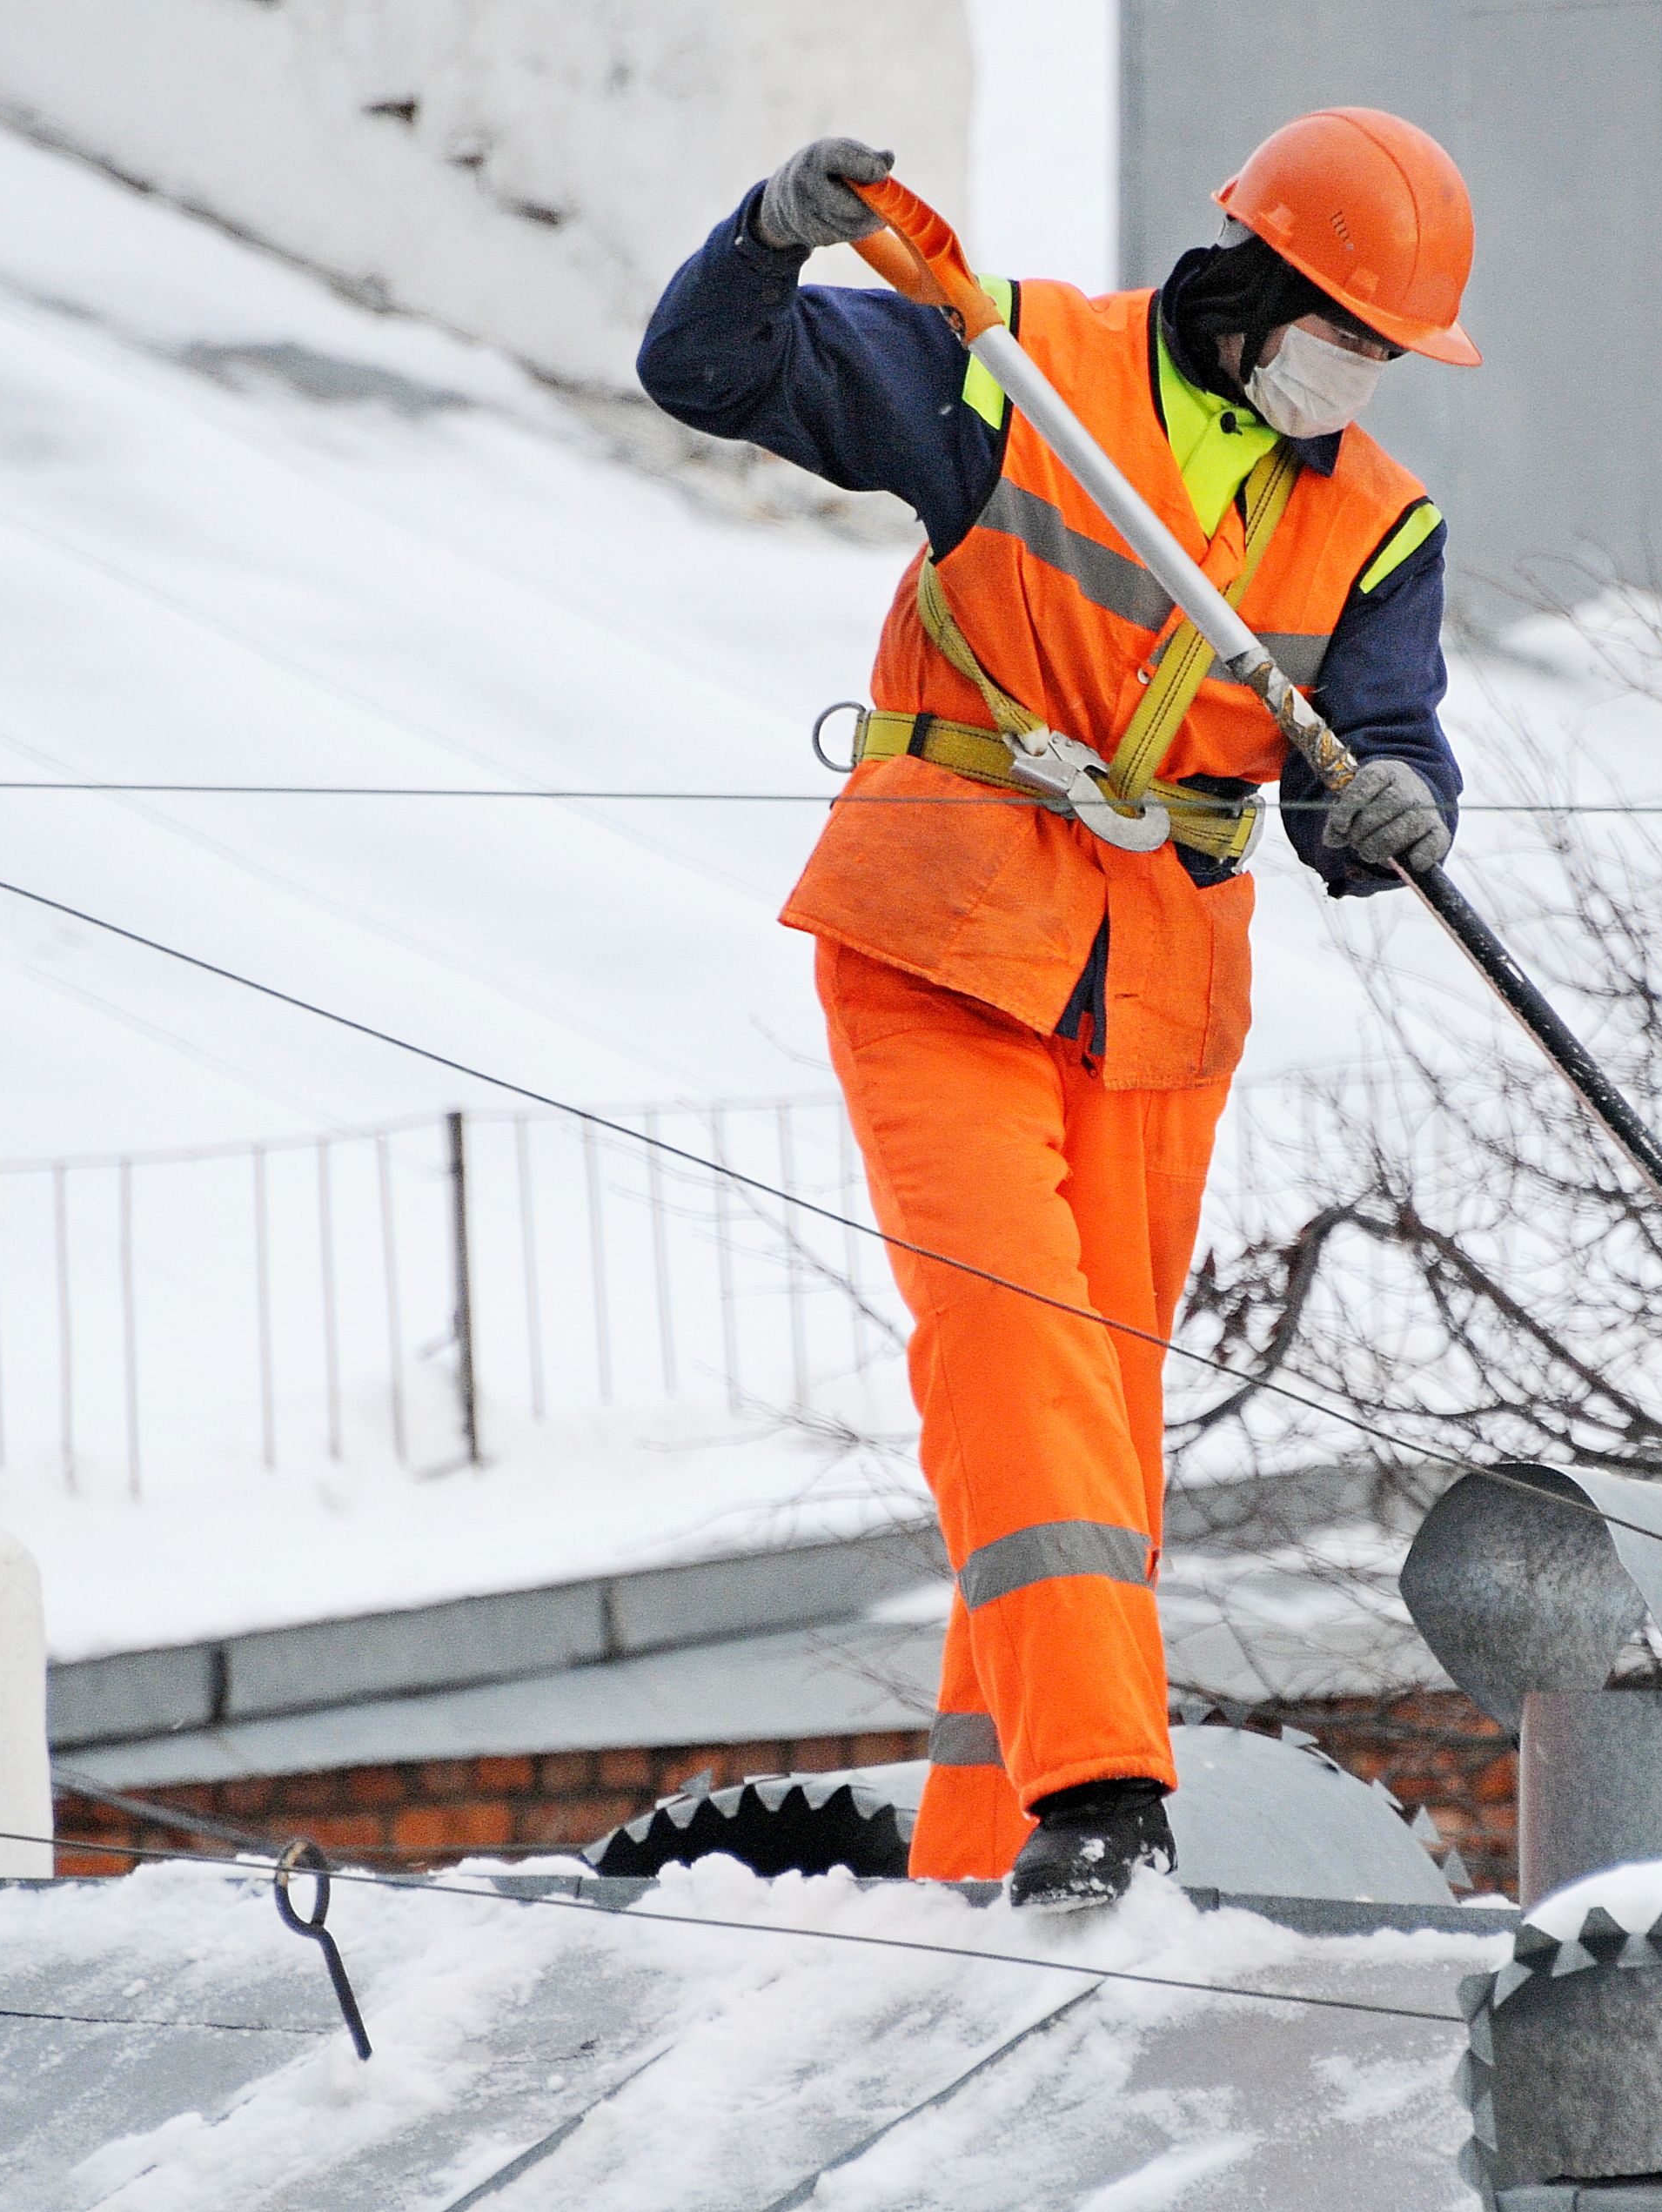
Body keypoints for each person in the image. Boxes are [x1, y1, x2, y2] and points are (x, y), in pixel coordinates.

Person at [638, 111, 1478, 1908]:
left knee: (1087, 1441)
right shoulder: (1017, 372)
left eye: (1390, 353)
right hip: (945, 926)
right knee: (1012, 1341)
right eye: (1353, 334)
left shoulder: (1376, 523)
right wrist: (766, 241)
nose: (1368, 376)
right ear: (1262, 291)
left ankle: (981, 1862)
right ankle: (1102, 1788)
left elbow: (1366, 764)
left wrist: (1400, 806)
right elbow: (707, 366)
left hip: (1158, 994)